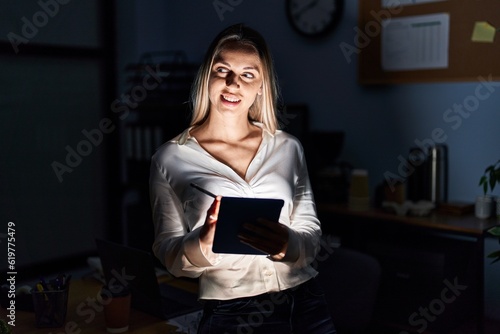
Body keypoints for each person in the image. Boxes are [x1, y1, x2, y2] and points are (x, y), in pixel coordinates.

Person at [149, 23, 336, 333]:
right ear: (207, 76)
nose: (233, 83)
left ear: (261, 86)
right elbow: (167, 251)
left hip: (306, 302)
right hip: (231, 312)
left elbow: (311, 232)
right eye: (223, 70)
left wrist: (285, 244)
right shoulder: (170, 158)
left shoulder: (288, 147)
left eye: (248, 74)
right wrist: (203, 243)